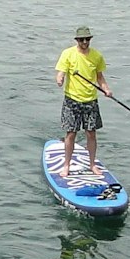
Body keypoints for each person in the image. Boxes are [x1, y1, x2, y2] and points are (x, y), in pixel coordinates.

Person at [55, 26, 109, 177]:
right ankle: (66, 166)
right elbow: (61, 72)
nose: (84, 42)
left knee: (91, 133)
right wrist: (60, 79)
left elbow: (99, 77)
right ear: (77, 40)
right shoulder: (68, 54)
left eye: (87, 39)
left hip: (90, 101)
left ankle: (92, 165)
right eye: (81, 40)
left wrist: (106, 89)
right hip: (72, 100)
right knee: (71, 133)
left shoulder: (97, 56)